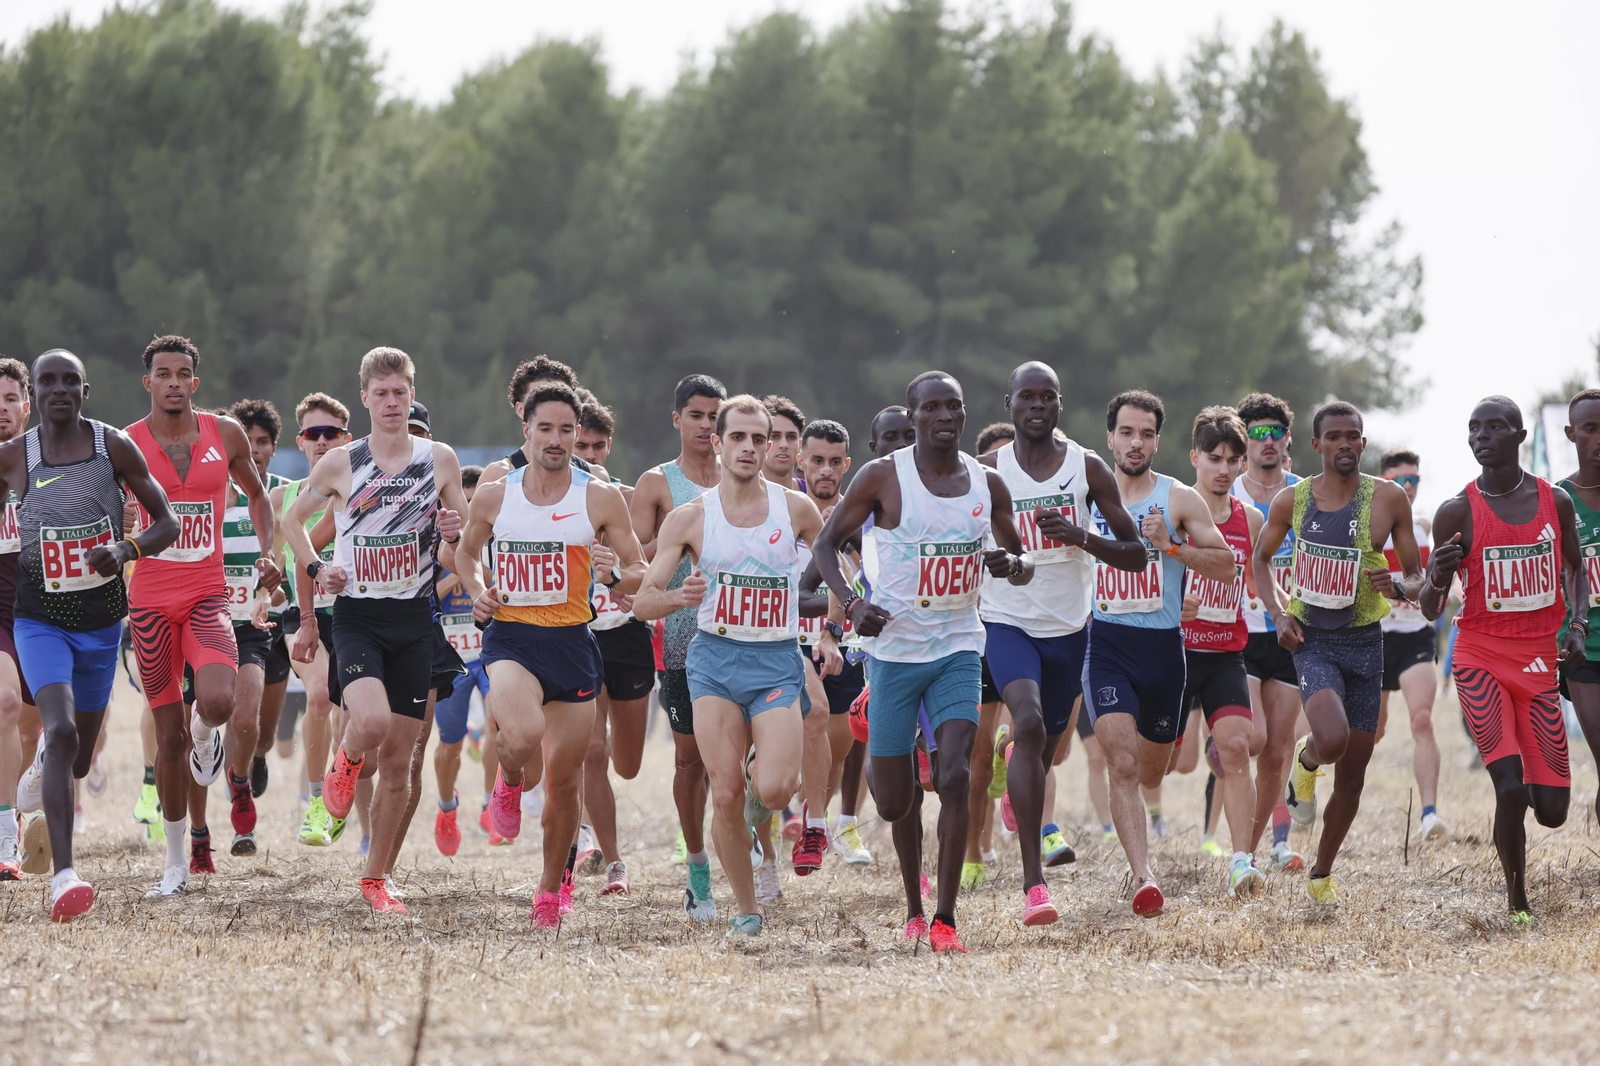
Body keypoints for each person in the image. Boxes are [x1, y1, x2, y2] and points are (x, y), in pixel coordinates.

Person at [812, 371, 1034, 954]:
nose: (944, 416)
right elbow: (824, 544)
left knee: (958, 774)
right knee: (892, 799)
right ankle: (913, 904)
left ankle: (944, 920)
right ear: (912, 417)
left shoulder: (987, 484)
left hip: (959, 644)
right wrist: (854, 604)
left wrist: (1010, 563)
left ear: (965, 415)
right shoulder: (884, 476)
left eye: (953, 407)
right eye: (931, 407)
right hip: (893, 653)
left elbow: (1017, 552)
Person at [634, 394, 842, 937]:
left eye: (760, 438)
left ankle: (759, 779)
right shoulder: (689, 517)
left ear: (771, 443)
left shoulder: (795, 510)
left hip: (775, 661)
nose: (750, 447)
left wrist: (829, 632)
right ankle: (746, 911)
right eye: (738, 438)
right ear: (718, 443)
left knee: (774, 790)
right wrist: (680, 599)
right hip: (714, 661)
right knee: (721, 792)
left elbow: (837, 574)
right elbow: (643, 601)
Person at [283, 347, 469, 915]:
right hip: (359, 617)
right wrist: (319, 570)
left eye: (401, 392)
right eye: (381, 393)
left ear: (413, 393)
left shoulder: (439, 459)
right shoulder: (342, 462)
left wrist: (452, 530)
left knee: (399, 764)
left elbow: (459, 538)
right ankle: (341, 768)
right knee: (368, 721)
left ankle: (376, 879)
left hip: (414, 621)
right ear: (364, 398)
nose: (392, 403)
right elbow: (292, 523)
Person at [455, 382, 645, 926]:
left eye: (568, 430)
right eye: (547, 429)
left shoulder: (599, 497)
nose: (558, 440)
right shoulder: (495, 492)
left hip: (573, 643)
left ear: (578, 434)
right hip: (512, 638)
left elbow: (636, 569)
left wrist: (612, 574)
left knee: (564, 784)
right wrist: (478, 590)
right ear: (527, 431)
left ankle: (550, 888)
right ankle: (509, 778)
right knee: (522, 736)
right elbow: (466, 554)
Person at [8, 350, 179, 920]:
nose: (59, 390)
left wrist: (126, 549)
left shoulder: (113, 447)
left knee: (76, 757)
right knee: (57, 731)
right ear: (34, 392)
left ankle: (45, 769)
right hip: (39, 621)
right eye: (47, 381)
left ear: (86, 389)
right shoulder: (16, 455)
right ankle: (64, 876)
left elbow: (167, 522)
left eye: (69, 381)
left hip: (103, 624)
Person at [977, 362, 1145, 924]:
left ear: (1059, 405)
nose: (1037, 405)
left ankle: (1016, 778)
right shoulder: (986, 470)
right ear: (1009, 404)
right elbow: (957, 536)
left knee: (1046, 751)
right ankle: (1034, 885)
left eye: (1047, 396)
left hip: (1069, 628)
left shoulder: (1086, 468)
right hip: (1006, 620)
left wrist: (1079, 536)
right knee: (1025, 724)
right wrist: (990, 560)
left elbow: (1137, 552)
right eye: (1026, 396)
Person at [125, 336, 280, 900]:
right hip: (149, 603)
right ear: (148, 384)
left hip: (206, 596)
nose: (172, 382)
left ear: (196, 381)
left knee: (217, 703)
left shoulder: (226, 435)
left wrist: (269, 553)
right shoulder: (128, 444)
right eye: (162, 373)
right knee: (166, 741)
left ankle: (206, 736)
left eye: (182, 373)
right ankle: (174, 863)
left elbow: (260, 498)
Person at [1423, 396, 1585, 926]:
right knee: (1509, 788)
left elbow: (1576, 572)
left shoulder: (1553, 500)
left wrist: (1577, 626)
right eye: (1474, 428)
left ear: (1518, 436)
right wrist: (1439, 574)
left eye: (1494, 427)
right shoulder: (1455, 511)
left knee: (1554, 811)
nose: (1481, 436)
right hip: (1480, 657)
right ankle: (1518, 902)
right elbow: (1429, 607)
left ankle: (1529, 834)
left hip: (1538, 661)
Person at [1256, 401, 1425, 905]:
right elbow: (1260, 561)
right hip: (1313, 639)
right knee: (1329, 740)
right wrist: (1279, 613)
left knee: (1354, 770)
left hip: (1366, 641)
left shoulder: (1388, 498)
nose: (1345, 444)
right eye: (1334, 437)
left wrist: (1396, 583)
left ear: (1363, 443)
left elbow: (1417, 579)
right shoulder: (1293, 500)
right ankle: (1305, 767)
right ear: (1317, 445)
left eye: (1353, 436)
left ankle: (1322, 871)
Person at [1081, 390, 1235, 917]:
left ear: (1157, 440)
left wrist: (1171, 546)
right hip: (1105, 646)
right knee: (1120, 762)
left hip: (1164, 651)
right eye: (1126, 432)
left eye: (1146, 433)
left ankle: (1145, 827)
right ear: (1110, 437)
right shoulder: (1086, 494)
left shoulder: (1178, 499)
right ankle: (1144, 878)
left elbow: (1225, 565)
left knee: (1153, 770)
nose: (1136, 442)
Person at [629, 374, 725, 914]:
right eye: (696, 415)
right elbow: (635, 561)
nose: (706, 426)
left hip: (748, 639)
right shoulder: (658, 483)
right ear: (676, 420)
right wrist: (671, 542)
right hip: (683, 642)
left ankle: (750, 844)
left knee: (744, 764)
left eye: (715, 416)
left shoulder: (744, 478)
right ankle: (697, 866)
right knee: (691, 761)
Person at [184, 398, 292, 860]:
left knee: (248, 723)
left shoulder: (273, 503)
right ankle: (198, 835)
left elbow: (281, 590)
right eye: (243, 443)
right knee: (199, 732)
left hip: (251, 626)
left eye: (261, 443)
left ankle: (241, 784)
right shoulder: (196, 500)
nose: (252, 451)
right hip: (201, 624)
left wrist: (273, 591)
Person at [1178, 407, 1267, 897]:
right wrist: (1176, 605)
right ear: (1195, 457)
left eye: (1234, 460)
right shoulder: (1174, 510)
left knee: (1236, 747)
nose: (1225, 469)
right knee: (1170, 763)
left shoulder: (1249, 518)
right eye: (1215, 458)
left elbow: (1256, 578)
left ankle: (1240, 860)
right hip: (1174, 653)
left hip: (1226, 654)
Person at [574, 399, 655, 896]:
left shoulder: (626, 499)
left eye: (597, 446)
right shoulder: (553, 503)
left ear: (610, 447)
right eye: (580, 445)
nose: (588, 455)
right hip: (578, 634)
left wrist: (617, 577)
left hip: (627, 636)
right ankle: (612, 860)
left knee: (627, 762)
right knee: (593, 750)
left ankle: (594, 836)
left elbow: (646, 572)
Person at [273, 392, 353, 847]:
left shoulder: (354, 488)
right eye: (312, 434)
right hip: (301, 616)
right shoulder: (282, 496)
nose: (322, 441)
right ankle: (316, 802)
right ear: (301, 442)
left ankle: (338, 791)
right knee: (319, 695)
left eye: (332, 433)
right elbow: (266, 553)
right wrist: (267, 584)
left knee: (352, 714)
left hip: (349, 614)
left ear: (347, 438)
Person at [1230, 393, 1304, 872]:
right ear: (1244, 442)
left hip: (1292, 631)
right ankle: (1227, 749)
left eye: (1276, 431)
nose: (1268, 440)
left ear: (1288, 439)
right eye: (1257, 432)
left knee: (1278, 749)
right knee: (1252, 738)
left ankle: (1258, 849)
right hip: (1240, 631)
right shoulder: (1224, 493)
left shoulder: (1307, 493)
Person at [1377, 449, 1446, 841]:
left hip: (1415, 636)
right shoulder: (1367, 525)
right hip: (1375, 637)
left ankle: (1429, 815)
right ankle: (1309, 779)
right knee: (1373, 732)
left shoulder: (1424, 527)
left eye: (1415, 480)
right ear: (1384, 480)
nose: (1408, 486)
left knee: (1422, 719)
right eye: (1401, 479)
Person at [432, 464, 487, 857]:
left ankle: (492, 803)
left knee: (503, 723)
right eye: (461, 503)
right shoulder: (435, 544)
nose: (467, 512)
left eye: (474, 504)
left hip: (490, 654)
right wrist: (461, 570)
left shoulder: (496, 540)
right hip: (451, 656)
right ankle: (447, 807)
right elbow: (427, 592)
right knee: (449, 744)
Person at [0, 358, 36, 880]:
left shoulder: (52, 459)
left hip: (46, 607)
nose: (1, 410)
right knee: (5, 704)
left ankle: (22, 808)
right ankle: (6, 833)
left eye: (10, 399)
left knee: (41, 731)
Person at [1559, 389, 1600, 829]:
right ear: (1572, 434)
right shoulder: (1557, 498)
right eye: (1590, 429)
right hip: (1582, 648)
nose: (1599, 438)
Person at [761, 395, 806, 492]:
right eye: (775, 436)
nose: (784, 445)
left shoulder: (813, 495)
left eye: (791, 437)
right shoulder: (740, 496)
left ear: (800, 445)